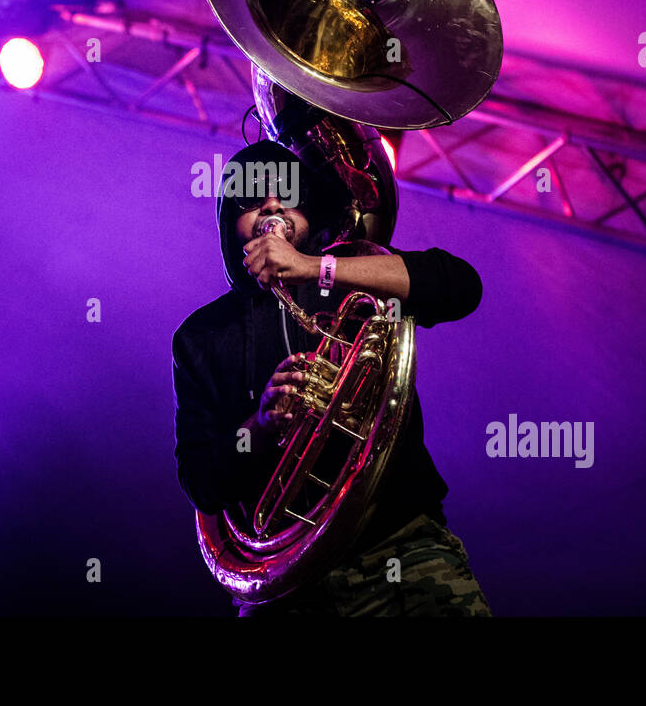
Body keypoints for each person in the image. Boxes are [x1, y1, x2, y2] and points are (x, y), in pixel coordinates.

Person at [171, 139, 493, 616]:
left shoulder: (354, 277)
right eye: (252, 196)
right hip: (288, 587)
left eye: (286, 192)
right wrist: (261, 426)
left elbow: (462, 287)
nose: (273, 204)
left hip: (402, 551)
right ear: (228, 222)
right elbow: (201, 483)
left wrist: (311, 269)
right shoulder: (201, 337)